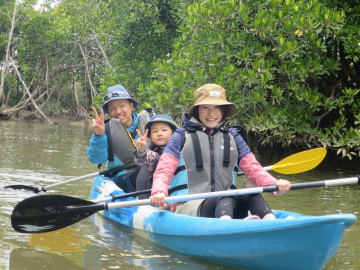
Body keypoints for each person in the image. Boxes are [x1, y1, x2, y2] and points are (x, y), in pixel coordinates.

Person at [150, 83, 291, 220]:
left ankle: (269, 220)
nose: (211, 113)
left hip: (227, 203)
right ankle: (226, 226)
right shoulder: (180, 136)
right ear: (197, 110)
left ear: (223, 111)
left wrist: (274, 184)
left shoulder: (233, 136)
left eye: (217, 107)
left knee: (250, 190)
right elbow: (164, 169)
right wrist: (159, 191)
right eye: (205, 107)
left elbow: (253, 168)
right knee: (226, 195)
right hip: (188, 205)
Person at [87, 84, 141, 193]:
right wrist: (99, 135)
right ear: (109, 112)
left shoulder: (150, 125)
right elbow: (96, 159)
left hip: (152, 174)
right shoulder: (105, 130)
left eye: (122, 106)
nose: (118, 111)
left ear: (131, 106)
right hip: (122, 178)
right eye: (113, 109)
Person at [133, 114, 178, 199]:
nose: (159, 134)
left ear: (173, 133)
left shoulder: (180, 150)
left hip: (172, 193)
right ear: (151, 137)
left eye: (164, 130)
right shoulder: (152, 153)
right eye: (154, 131)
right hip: (153, 195)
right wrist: (141, 150)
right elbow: (142, 160)